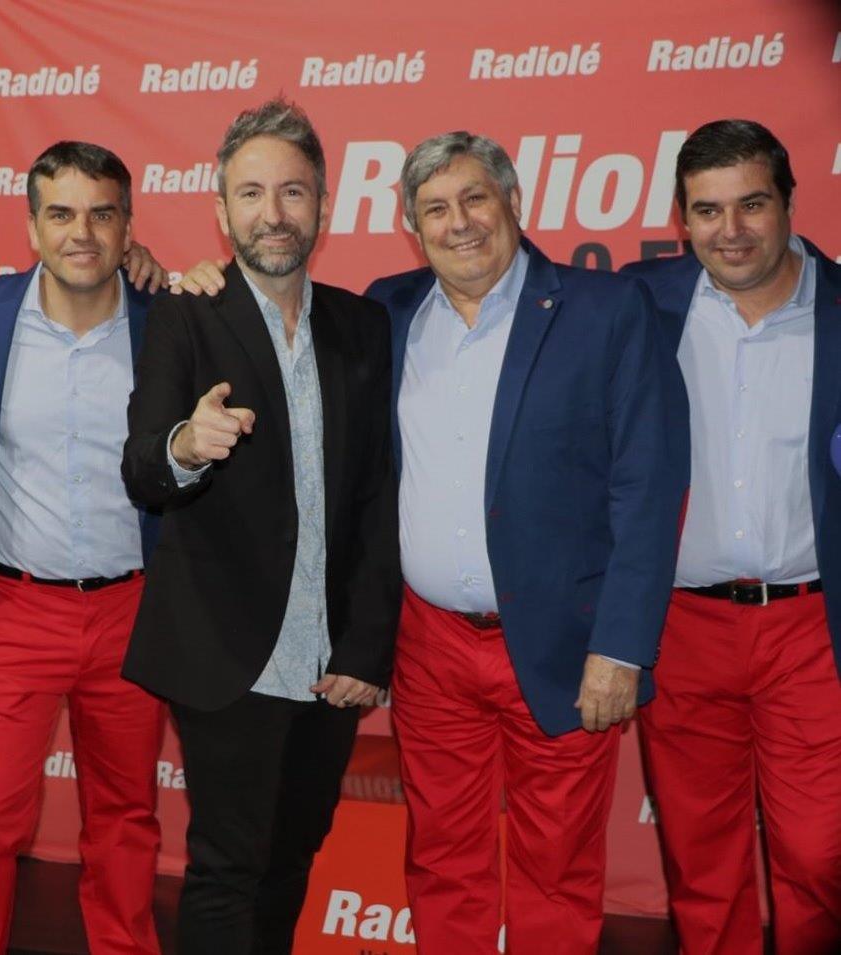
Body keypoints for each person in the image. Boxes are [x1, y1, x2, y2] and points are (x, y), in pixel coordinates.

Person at [176, 129, 688, 953]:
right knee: (443, 858)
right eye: (435, 209)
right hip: (431, 648)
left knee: (555, 869)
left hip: (563, 643)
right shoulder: (386, 310)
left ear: (513, 202)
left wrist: (621, 645)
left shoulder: (604, 310)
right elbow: (282, 342)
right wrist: (202, 279)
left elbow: (647, 485)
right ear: (412, 228)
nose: (459, 223)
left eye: (474, 198)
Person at [121, 98, 401, 955]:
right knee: (226, 867)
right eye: (250, 193)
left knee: (291, 857)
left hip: (328, 662)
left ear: (323, 205)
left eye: (291, 191)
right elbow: (142, 466)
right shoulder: (185, 314)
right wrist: (186, 445)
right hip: (225, 651)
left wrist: (365, 645)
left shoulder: (362, 324)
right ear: (221, 210)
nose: (272, 212)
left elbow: (376, 495)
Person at [0, 141, 166, 954]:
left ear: (128, 226)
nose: (82, 233)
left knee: (126, 817)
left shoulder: (168, 320)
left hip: (134, 609)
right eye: (61, 213)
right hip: (10, 606)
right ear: (31, 227)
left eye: (102, 214)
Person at [623, 118, 841, 955]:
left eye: (751, 204)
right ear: (681, 220)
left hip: (811, 630)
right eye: (707, 211)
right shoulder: (639, 303)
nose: (731, 231)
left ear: (787, 201)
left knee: (819, 852)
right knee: (700, 863)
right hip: (683, 627)